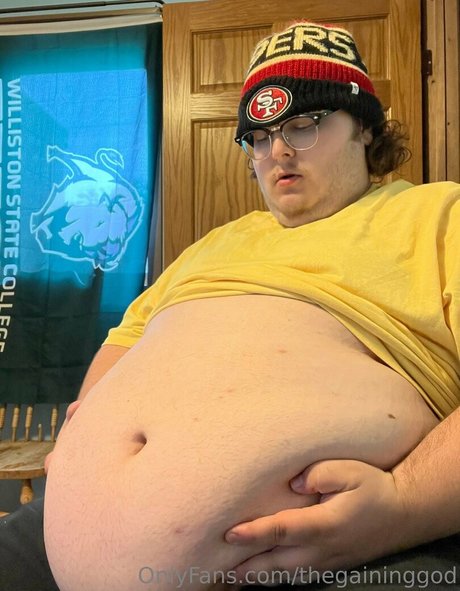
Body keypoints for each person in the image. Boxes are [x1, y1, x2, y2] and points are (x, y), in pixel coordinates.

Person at [1, 20, 459, 591]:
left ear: (365, 128)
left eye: (304, 125)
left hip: (340, 546)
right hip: (61, 536)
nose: (278, 151)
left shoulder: (438, 216)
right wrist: (85, 442)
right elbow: (126, 339)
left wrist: (404, 501)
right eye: (259, 137)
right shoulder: (214, 245)